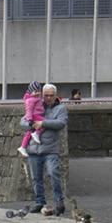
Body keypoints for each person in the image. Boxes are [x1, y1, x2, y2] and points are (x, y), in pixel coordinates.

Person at [25, 83, 70, 214]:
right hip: (34, 148)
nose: (48, 98)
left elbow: (61, 123)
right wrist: (31, 124)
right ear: (42, 95)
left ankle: (58, 201)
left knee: (53, 174)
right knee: (36, 178)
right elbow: (23, 122)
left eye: (51, 95)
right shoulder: (35, 104)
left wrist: (43, 123)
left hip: (50, 149)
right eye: (46, 95)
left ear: (55, 95)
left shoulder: (60, 108)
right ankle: (39, 201)